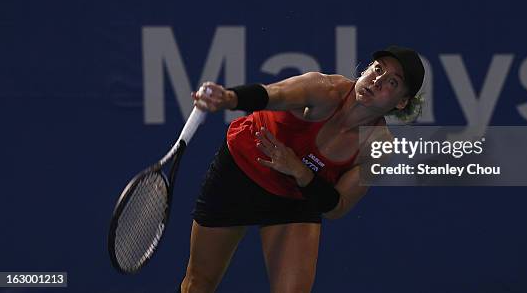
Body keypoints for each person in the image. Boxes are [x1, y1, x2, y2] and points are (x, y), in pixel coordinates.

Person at [179, 46, 425, 293]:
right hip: (241, 172)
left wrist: (300, 171)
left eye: (392, 82)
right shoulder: (324, 89)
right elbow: (270, 94)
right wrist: (228, 98)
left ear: (402, 102)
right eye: (377, 69)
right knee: (199, 283)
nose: (377, 80)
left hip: (295, 198)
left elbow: (337, 207)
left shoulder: (378, 146)